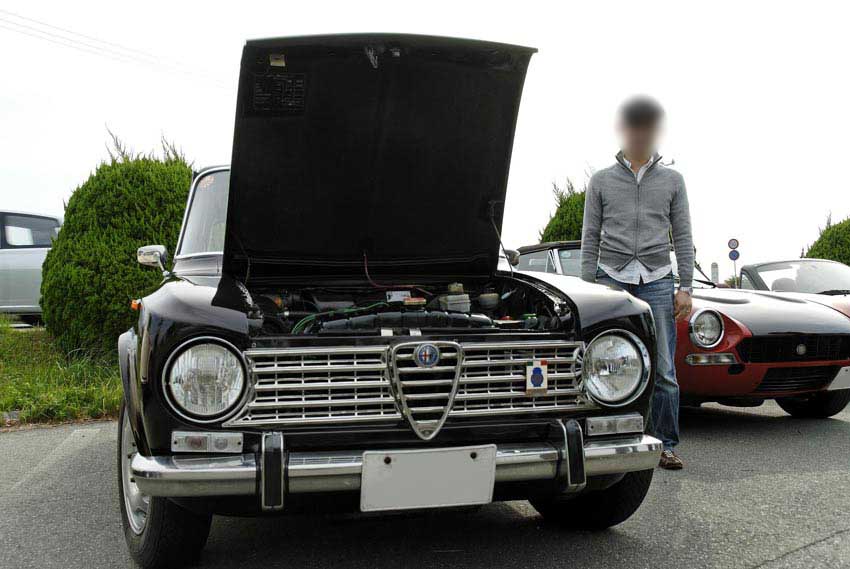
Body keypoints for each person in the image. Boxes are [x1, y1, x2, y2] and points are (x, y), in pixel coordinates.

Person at [580, 95, 694, 470]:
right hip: (611, 277)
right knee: (604, 361)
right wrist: (587, 290)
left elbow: (683, 236)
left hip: (657, 279)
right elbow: (589, 238)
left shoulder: (673, 181)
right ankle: (601, 440)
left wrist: (686, 287)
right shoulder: (601, 181)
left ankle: (665, 444)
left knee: (663, 369)